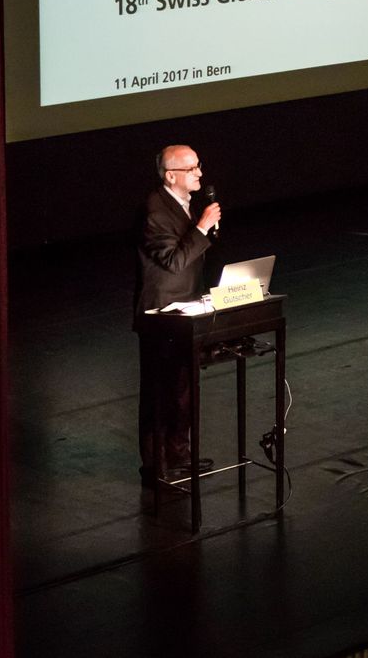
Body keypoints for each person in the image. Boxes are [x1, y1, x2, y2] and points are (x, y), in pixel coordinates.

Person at [134, 144, 221, 485]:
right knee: (160, 392)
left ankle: (180, 456)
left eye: (199, 166)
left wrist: (204, 230)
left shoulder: (181, 203)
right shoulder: (154, 211)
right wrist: (201, 229)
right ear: (172, 175)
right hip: (160, 314)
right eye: (193, 168)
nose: (200, 173)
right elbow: (172, 261)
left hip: (185, 311)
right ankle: (155, 467)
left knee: (184, 389)